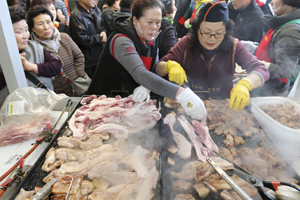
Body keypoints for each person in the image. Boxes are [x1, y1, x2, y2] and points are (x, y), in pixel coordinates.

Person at [88, 0, 207, 121]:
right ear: (135, 20)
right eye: (150, 22)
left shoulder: (150, 38)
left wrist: (148, 84)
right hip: (105, 102)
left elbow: (153, 68)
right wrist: (181, 93)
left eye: (158, 22)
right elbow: (139, 72)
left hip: (128, 103)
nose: (154, 27)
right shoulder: (121, 40)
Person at [156, 1, 270, 111]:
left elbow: (262, 70)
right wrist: (169, 66)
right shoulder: (186, 43)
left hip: (223, 106)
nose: (212, 38)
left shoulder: (234, 46)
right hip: (190, 104)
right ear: (197, 29)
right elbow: (159, 68)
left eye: (219, 33)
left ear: (226, 31)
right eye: (206, 32)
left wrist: (246, 84)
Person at [0, 6, 61, 105]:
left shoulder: (34, 47)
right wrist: (8, 69)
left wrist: (32, 67)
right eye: (19, 32)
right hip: (15, 113)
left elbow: (57, 67)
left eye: (26, 30)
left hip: (46, 105)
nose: (25, 35)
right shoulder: (2, 57)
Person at [244, 0, 300, 96]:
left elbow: (284, 70)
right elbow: (273, 50)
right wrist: (253, 48)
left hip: (271, 89)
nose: (272, 2)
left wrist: (259, 64)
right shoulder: (282, 22)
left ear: (287, 2)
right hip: (263, 81)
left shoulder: (290, 31)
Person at [27, 5, 85, 96]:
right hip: (53, 92)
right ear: (32, 28)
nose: (46, 27)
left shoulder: (64, 37)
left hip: (75, 85)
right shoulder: (33, 49)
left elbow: (79, 57)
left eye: (48, 22)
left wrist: (78, 75)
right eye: (40, 24)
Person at [69, 0, 107, 78]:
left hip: (98, 55)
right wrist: (99, 38)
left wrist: (103, 31)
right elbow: (83, 40)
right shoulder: (76, 15)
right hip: (88, 61)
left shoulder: (93, 10)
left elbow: (100, 25)